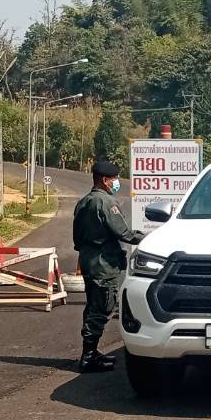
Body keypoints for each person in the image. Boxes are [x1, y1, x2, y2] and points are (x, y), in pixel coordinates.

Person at [71, 159, 140, 373]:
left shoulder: (84, 202)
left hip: (89, 261)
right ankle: (88, 357)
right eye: (114, 179)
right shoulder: (105, 202)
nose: (117, 182)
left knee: (93, 306)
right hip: (104, 265)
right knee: (102, 308)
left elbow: (77, 239)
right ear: (104, 180)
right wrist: (149, 238)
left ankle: (91, 353)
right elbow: (124, 233)